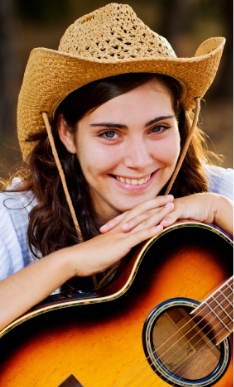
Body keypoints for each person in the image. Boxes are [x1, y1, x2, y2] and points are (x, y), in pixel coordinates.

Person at [0, 3, 233, 331]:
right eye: (110, 133)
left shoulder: (223, 194)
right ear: (67, 133)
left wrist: (220, 210)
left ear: (181, 124)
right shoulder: (12, 221)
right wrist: (68, 262)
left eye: (158, 128)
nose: (139, 161)